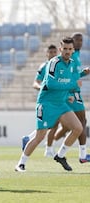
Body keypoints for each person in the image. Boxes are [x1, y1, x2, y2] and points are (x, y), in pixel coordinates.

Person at [15, 36, 83, 172]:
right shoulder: (54, 62)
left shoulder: (71, 64)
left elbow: (66, 82)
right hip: (46, 103)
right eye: (65, 49)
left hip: (61, 103)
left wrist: (69, 95)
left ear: (73, 50)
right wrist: (72, 85)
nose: (67, 52)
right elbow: (51, 84)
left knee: (78, 128)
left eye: (70, 49)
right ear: (60, 49)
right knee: (40, 136)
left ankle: (60, 155)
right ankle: (21, 163)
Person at [51, 33, 90, 163]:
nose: (80, 42)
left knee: (64, 124)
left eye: (81, 40)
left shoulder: (76, 56)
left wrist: (84, 72)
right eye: (77, 40)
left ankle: (33, 138)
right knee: (81, 122)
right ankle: (83, 155)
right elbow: (69, 77)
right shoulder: (70, 57)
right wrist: (73, 84)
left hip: (71, 90)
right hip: (73, 92)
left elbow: (74, 75)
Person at [21, 44, 58, 157]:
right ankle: (48, 149)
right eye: (50, 52)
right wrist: (41, 87)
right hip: (47, 100)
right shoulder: (44, 67)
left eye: (54, 52)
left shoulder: (59, 66)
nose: (52, 54)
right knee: (50, 125)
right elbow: (35, 82)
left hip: (56, 99)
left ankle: (33, 140)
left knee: (52, 124)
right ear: (46, 54)